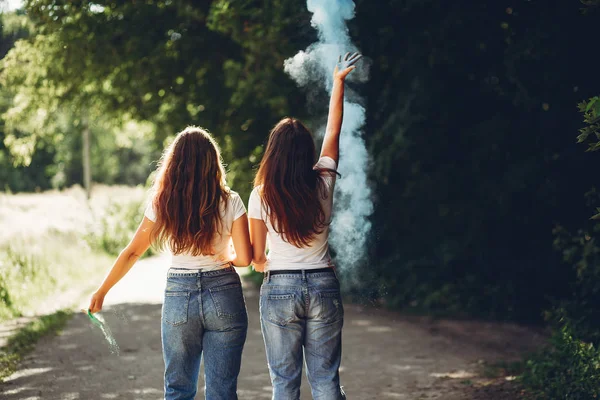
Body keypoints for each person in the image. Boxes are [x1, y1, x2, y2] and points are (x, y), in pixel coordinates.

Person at [88, 126, 252, 400]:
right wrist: (226, 257)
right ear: (213, 161)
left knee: (178, 389)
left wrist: (102, 291)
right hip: (224, 292)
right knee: (223, 391)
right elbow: (245, 259)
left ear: (174, 164)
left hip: (180, 295)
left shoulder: (162, 202)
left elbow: (132, 252)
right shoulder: (231, 200)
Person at [248, 52, 362, 400]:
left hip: (279, 288)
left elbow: (256, 259)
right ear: (306, 151)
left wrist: (277, 265)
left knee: (284, 382)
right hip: (323, 284)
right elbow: (334, 130)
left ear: (273, 153)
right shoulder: (323, 182)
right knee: (326, 380)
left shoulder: (261, 195)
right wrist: (338, 83)